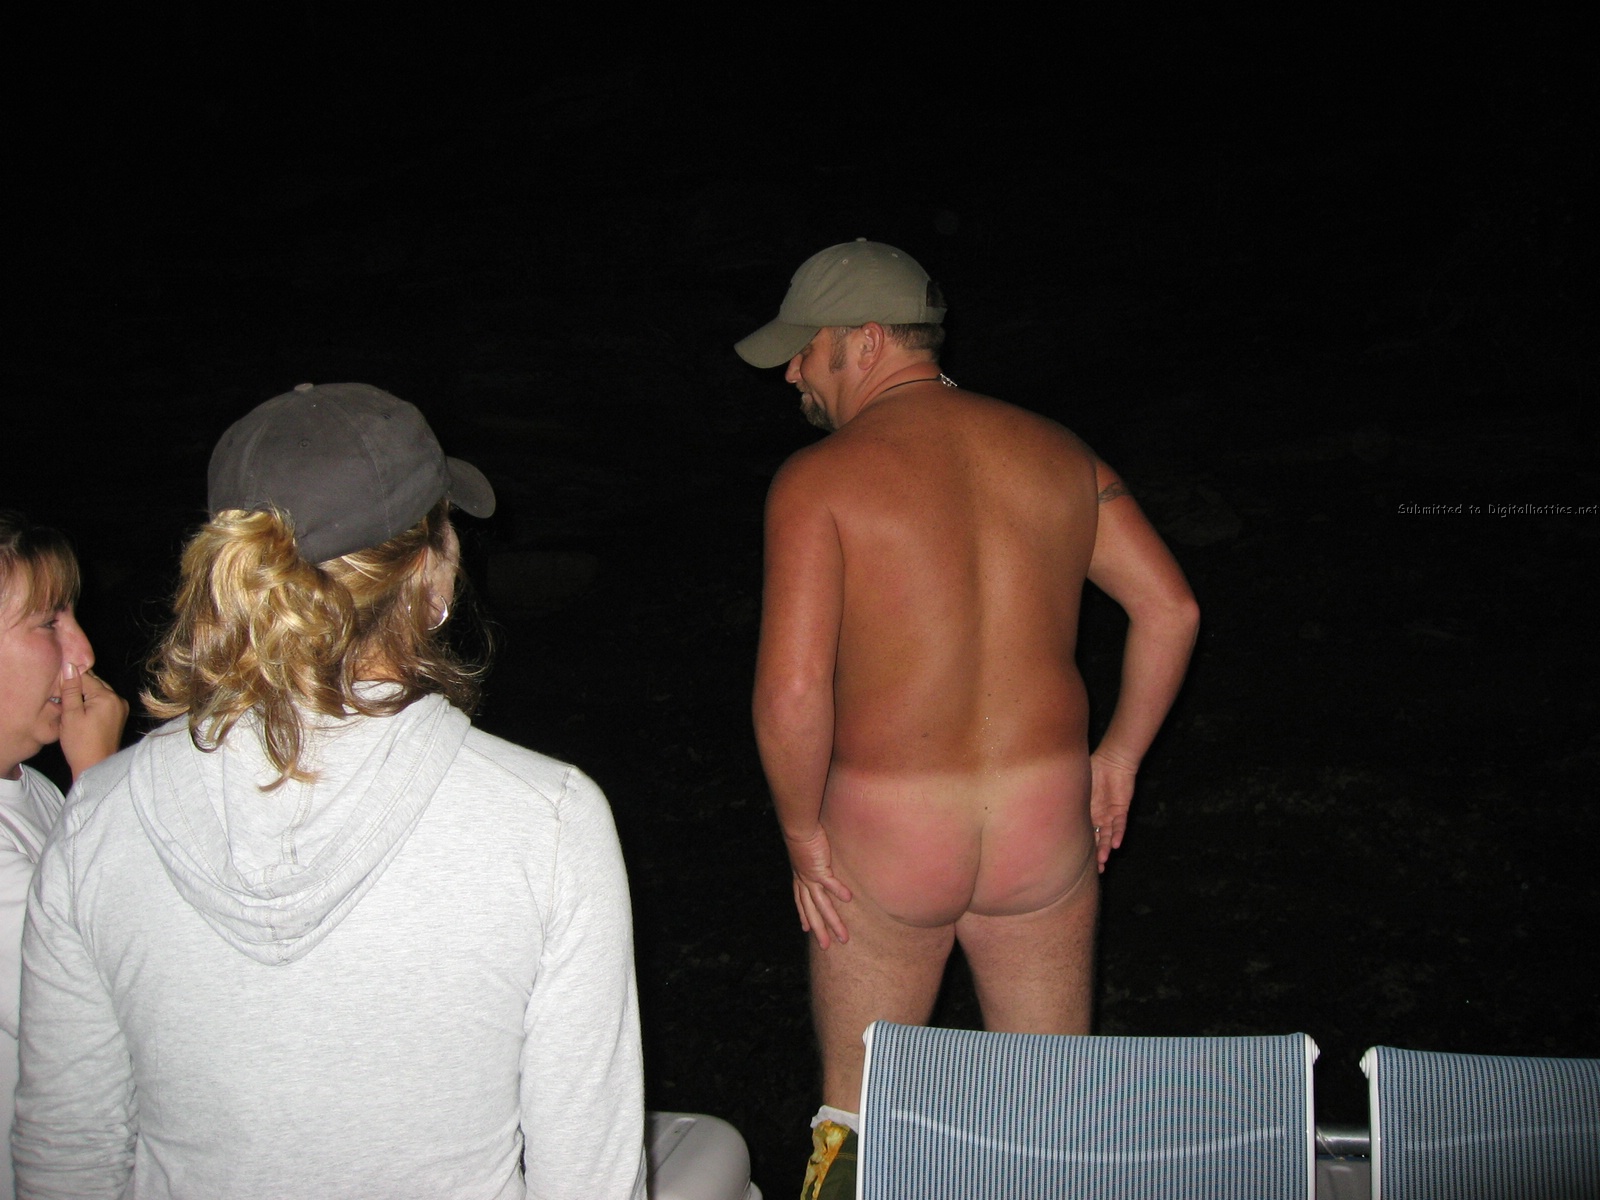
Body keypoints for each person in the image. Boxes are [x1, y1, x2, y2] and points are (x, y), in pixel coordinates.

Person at [11, 383, 647, 1199]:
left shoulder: (95, 821)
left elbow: (67, 1160)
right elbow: (589, 1180)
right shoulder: (548, 823)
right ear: (430, 578)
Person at [736, 242, 1200, 1196]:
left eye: (804, 349)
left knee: (858, 1115)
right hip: (1044, 825)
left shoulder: (820, 479)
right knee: (1053, 1108)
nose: (791, 372)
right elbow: (1172, 610)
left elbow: (792, 694)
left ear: (866, 342)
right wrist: (1118, 758)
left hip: (888, 837)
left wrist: (802, 836)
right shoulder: (1060, 451)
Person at [1, 512, 128, 1200]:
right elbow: (104, 1009)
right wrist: (101, 786)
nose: (83, 651)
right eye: (50, 623)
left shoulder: (36, 791)